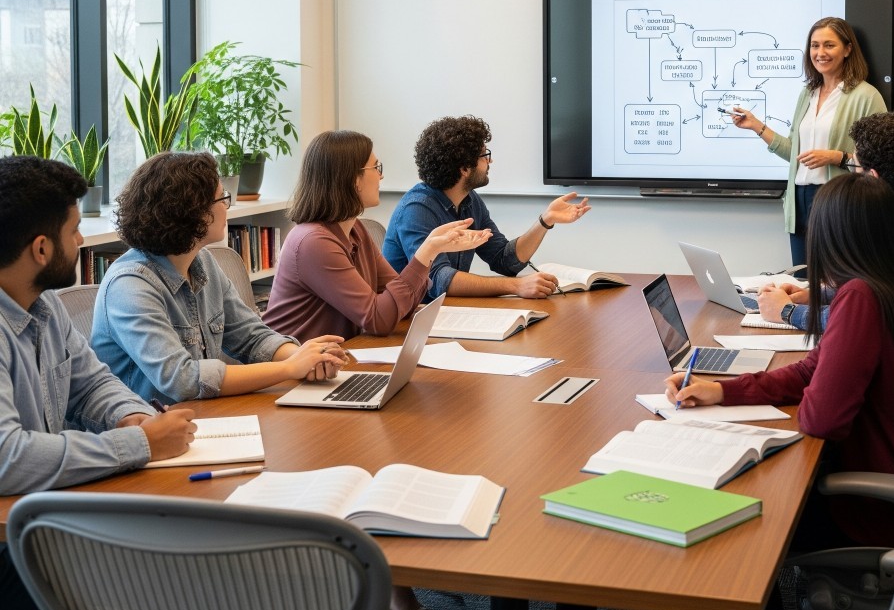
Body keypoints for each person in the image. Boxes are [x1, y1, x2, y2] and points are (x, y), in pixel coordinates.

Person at [668, 172, 894, 549]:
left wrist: (820, 384)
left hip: (890, 513)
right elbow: (812, 369)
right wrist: (721, 391)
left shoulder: (860, 298)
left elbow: (821, 417)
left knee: (742, 519)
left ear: (831, 238)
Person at [0, 156, 196, 610]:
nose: (82, 240)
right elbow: (7, 458)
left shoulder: (44, 309)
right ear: (42, 249)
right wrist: (140, 445)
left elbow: (91, 384)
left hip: (35, 521)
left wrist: (136, 417)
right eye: (74, 232)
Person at [92, 152, 350, 405]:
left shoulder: (202, 263)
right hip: (147, 434)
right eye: (222, 199)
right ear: (195, 212)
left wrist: (305, 357)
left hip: (199, 419)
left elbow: (251, 336)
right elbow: (181, 379)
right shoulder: (130, 286)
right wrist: (290, 368)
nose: (227, 208)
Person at [757, 113, 894, 360]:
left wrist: (787, 311)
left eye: (854, 166)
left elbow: (866, 320)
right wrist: (814, 295)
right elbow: (876, 294)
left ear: (873, 178)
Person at [263, 130, 492, 341]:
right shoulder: (313, 242)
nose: (381, 177)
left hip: (336, 360)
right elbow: (378, 319)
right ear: (353, 179)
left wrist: (432, 246)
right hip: (293, 377)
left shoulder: (355, 230)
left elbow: (404, 303)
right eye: (376, 168)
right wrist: (428, 251)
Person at [728, 16, 885, 265]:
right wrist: (757, 126)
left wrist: (837, 157)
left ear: (847, 49)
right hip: (799, 201)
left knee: (835, 284)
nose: (820, 52)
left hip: (838, 202)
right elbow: (796, 154)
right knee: (803, 282)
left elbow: (880, 162)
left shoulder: (866, 96)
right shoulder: (807, 93)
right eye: (814, 45)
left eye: (829, 45)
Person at [382, 116, 591, 299]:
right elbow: (438, 280)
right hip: (410, 323)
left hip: (446, 313)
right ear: (464, 168)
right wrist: (516, 286)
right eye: (484, 155)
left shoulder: (470, 200)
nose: (490, 160)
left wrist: (546, 220)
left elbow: (504, 260)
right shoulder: (417, 209)